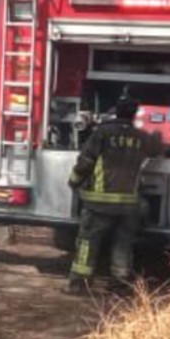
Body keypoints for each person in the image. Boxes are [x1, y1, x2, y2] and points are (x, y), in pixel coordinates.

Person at [66, 95, 162, 295]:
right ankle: (120, 284)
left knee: (88, 242)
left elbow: (86, 161)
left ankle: (80, 284)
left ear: (116, 112)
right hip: (129, 205)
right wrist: (158, 135)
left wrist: (74, 181)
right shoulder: (141, 137)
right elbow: (156, 148)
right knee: (123, 244)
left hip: (99, 203)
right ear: (135, 115)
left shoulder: (102, 133)